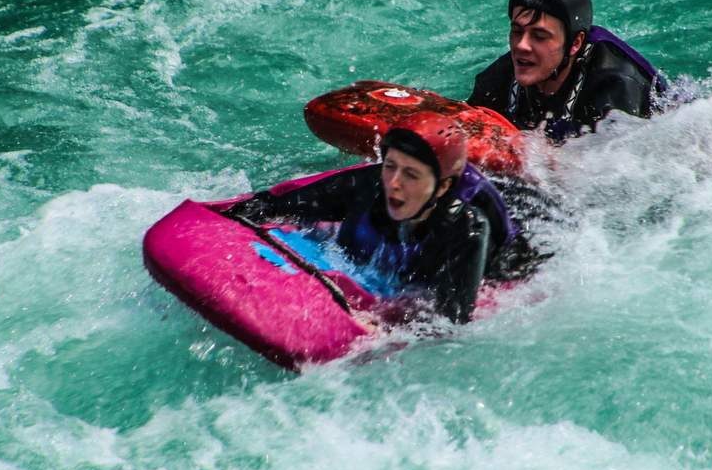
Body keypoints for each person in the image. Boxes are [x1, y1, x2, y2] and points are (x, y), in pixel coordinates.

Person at [222, 112, 517, 324]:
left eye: (411, 174)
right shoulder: (371, 184)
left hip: (514, 251)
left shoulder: (466, 231)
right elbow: (277, 206)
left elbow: (448, 324)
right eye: (390, 166)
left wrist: (386, 329)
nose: (394, 183)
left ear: (442, 187)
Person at [467, 0, 668, 142]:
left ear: (575, 43)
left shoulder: (616, 88)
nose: (521, 45)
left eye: (539, 36)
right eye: (517, 31)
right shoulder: (497, 79)